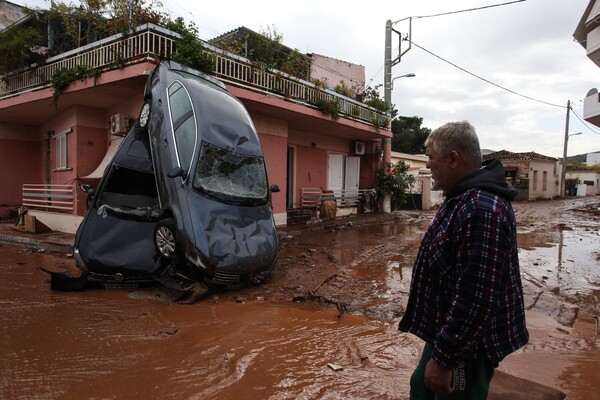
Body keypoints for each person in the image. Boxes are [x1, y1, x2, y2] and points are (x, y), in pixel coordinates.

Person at [398, 121, 529, 399]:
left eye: (431, 157)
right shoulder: (463, 199)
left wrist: (445, 359)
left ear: (454, 159)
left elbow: (476, 296)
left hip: (468, 344)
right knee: (420, 388)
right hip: (450, 334)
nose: (428, 165)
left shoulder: (481, 209)